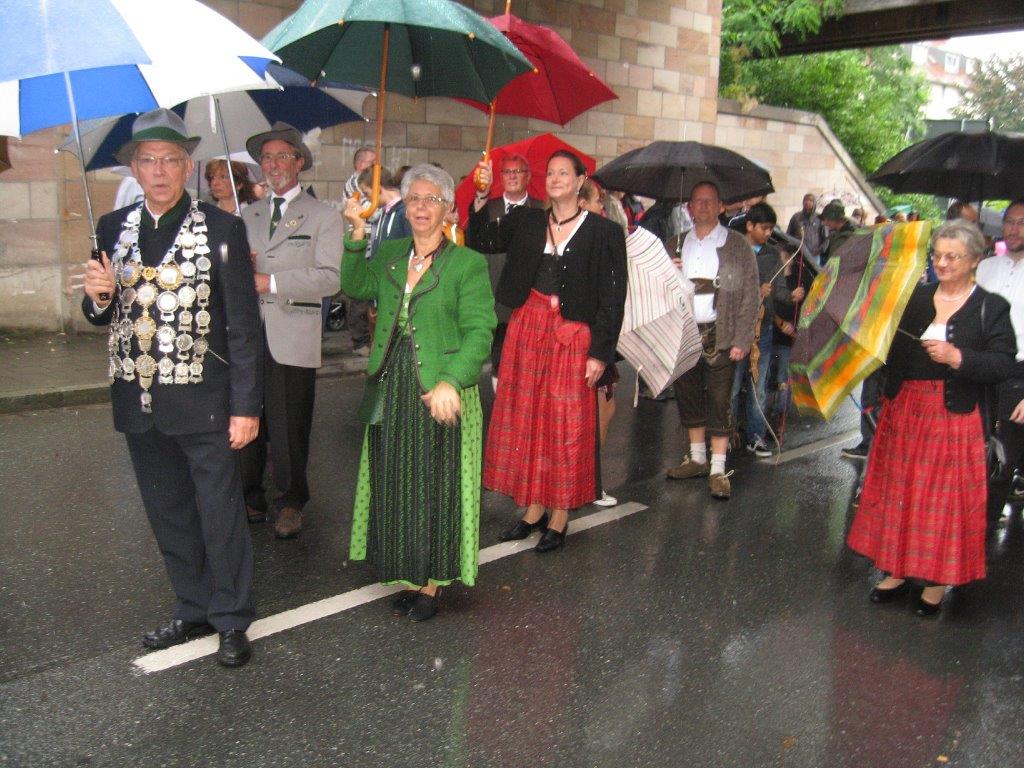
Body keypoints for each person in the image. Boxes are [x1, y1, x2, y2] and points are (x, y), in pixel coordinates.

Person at [81, 109, 262, 668]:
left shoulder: (222, 229)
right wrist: (99, 296)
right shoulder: (112, 228)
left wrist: (245, 406)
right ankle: (193, 606)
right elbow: (97, 313)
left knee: (219, 512)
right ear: (134, 167)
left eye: (170, 160)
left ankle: (231, 618)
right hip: (140, 400)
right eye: (148, 160)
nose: (159, 170)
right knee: (169, 512)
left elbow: (243, 326)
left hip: (206, 401)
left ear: (186, 166)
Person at [341, 164, 496, 621]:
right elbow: (355, 285)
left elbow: (480, 330)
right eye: (414, 199)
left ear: (449, 209)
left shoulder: (467, 263)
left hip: (440, 387)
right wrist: (355, 233)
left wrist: (452, 380)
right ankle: (407, 573)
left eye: (432, 199)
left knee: (436, 486)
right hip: (392, 382)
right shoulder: (390, 252)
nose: (422, 207)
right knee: (396, 482)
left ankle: (431, 583)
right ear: (404, 207)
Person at [847, 220, 1016, 616]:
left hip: (952, 415)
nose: (941, 262)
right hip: (906, 408)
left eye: (951, 256)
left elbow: (1003, 363)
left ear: (975, 260)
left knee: (940, 501)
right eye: (937, 255)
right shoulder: (916, 298)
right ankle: (897, 570)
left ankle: (936, 581)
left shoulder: (991, 307)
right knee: (900, 492)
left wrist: (959, 358)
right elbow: (894, 350)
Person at [482, 150, 627, 551]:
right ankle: (532, 510)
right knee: (528, 420)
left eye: (564, 172)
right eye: (550, 172)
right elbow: (482, 237)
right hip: (527, 329)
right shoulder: (528, 221)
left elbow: (614, 298)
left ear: (581, 180)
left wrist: (600, 354)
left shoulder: (604, 232)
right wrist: (480, 196)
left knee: (564, 425)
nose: (555, 177)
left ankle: (559, 515)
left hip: (572, 338)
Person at [239, 122, 342, 538]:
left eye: (283, 156)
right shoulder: (245, 216)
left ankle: (290, 500)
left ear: (300, 162)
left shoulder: (324, 216)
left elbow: (330, 278)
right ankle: (249, 494)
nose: (274, 164)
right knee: (245, 415)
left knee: (287, 423)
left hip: (292, 333)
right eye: (267, 157)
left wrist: (271, 282)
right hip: (246, 333)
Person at [666, 181, 759, 500]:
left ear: (721, 206)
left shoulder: (737, 244)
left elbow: (750, 293)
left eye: (709, 201)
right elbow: (655, 289)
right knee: (688, 394)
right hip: (685, 330)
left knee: (720, 400)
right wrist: (669, 271)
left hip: (723, 332)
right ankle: (697, 458)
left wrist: (743, 338)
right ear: (688, 207)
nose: (702, 206)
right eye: (696, 202)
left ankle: (718, 468)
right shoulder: (675, 243)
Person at [466, 154, 545, 389]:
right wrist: (482, 192)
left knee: (527, 357)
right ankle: (501, 399)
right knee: (499, 353)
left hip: (529, 296)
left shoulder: (541, 209)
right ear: (500, 177)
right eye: (507, 172)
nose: (512, 176)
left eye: (517, 171)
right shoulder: (488, 208)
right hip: (495, 292)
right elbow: (474, 239)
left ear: (528, 176)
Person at [730, 202, 792, 457]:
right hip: (736, 330)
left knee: (759, 384)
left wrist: (791, 295)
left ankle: (756, 434)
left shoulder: (772, 254)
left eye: (770, 229)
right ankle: (727, 432)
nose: (768, 233)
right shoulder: (734, 251)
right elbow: (728, 291)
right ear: (750, 226)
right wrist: (756, 293)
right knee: (733, 386)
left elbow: (778, 291)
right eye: (764, 228)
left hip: (763, 330)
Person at [976, 200, 1024, 497]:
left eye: (1021, 222)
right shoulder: (984, 268)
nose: (1014, 229)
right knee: (982, 448)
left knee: (1008, 453)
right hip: (982, 368)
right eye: (1009, 221)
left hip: (1019, 371)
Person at [343, 146, 378, 355]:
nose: (375, 167)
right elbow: (368, 212)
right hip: (361, 246)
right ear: (360, 165)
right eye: (371, 163)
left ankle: (366, 338)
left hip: (370, 247)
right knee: (359, 299)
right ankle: (360, 341)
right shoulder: (355, 184)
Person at [787, 193, 826, 264]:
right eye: (805, 200)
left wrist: (819, 250)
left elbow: (826, 238)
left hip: (814, 255)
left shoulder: (820, 218)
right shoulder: (796, 217)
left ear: (814, 203)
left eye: (810, 200)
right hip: (798, 254)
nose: (807, 202)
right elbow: (789, 234)